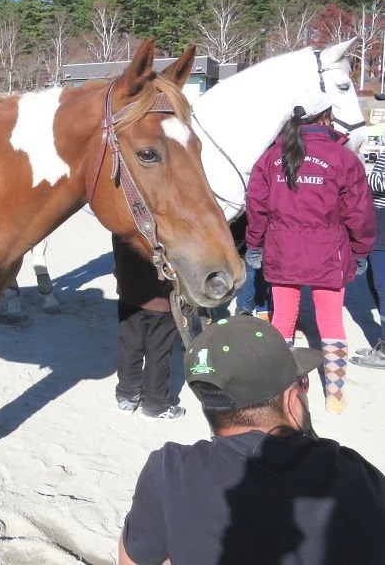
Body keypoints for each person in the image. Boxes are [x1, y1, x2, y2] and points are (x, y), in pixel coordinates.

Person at [119, 315, 385, 565]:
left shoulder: (169, 471)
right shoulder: (352, 475)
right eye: (302, 383)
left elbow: (133, 558)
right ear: (292, 401)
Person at [245, 89, 376, 414]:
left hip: (282, 249)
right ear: (326, 117)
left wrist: (254, 244)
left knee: (283, 319)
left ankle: (281, 389)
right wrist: (360, 250)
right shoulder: (343, 157)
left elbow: (256, 206)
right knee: (330, 321)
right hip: (329, 252)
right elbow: (359, 212)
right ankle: (335, 394)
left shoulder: (271, 157)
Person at [112, 234, 184, 421]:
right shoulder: (168, 216)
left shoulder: (122, 214)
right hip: (161, 299)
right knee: (158, 352)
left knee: (129, 346)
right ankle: (155, 404)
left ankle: (127, 397)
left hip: (129, 292)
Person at [354, 148, 385, 368]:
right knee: (376, 286)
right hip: (379, 222)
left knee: (383, 288)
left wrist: (356, 173)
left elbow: (380, 183)